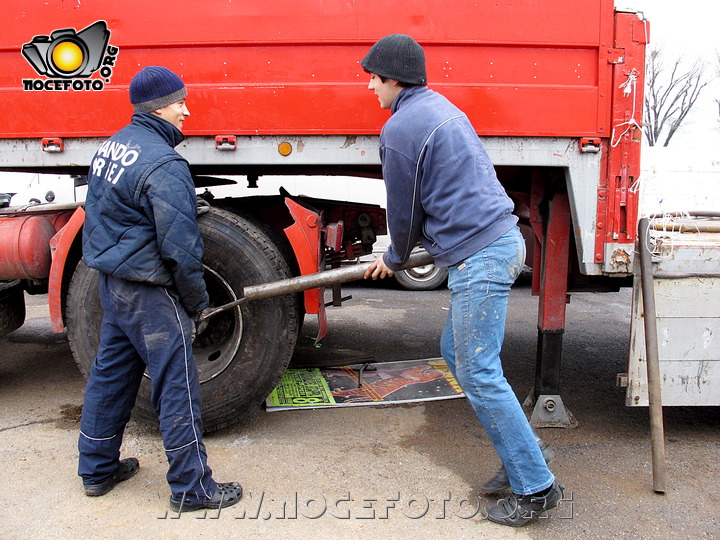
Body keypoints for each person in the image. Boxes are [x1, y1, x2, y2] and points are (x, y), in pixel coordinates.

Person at [360, 34, 564, 527]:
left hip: (482, 256)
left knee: (477, 370)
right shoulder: (439, 107)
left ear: (392, 78)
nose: (369, 87)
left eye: (373, 77)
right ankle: (526, 452)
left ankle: (536, 487)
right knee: (458, 354)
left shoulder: (402, 126)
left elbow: (404, 210)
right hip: (499, 241)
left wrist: (393, 255)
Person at [78, 66, 242, 512]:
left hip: (113, 285)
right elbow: (182, 250)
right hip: (151, 293)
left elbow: (107, 213)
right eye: (179, 102)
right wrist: (197, 303)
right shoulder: (165, 163)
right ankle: (192, 488)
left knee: (110, 377)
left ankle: (96, 469)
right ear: (157, 106)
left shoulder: (111, 146)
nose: (187, 111)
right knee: (177, 386)